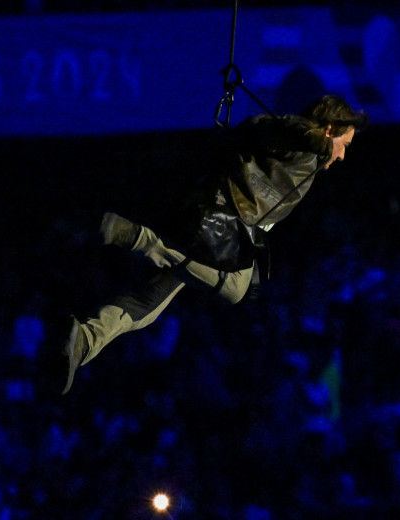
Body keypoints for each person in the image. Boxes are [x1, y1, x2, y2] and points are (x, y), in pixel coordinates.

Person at [61, 94, 368, 394]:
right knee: (235, 288)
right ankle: (140, 238)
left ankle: (86, 340)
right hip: (217, 216)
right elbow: (279, 127)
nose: (342, 155)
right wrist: (318, 140)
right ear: (329, 130)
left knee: (150, 303)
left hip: (225, 227)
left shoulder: (304, 161)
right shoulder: (301, 142)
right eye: (345, 145)